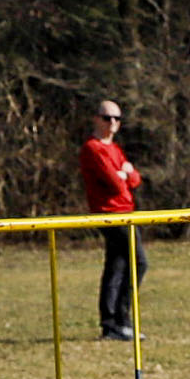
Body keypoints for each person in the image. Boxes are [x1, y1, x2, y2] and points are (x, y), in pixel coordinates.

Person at [78, 98, 145, 340]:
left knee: (117, 266)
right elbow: (115, 184)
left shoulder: (115, 149)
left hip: (126, 212)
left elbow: (135, 180)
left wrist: (126, 173)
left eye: (117, 118)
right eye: (108, 118)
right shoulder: (93, 148)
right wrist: (124, 173)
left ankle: (111, 323)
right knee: (138, 263)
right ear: (96, 119)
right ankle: (121, 319)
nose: (113, 122)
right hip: (110, 214)